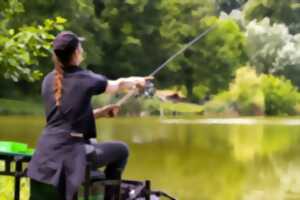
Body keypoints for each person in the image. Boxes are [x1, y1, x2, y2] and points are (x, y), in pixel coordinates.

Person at [27, 31, 148, 200]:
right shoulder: (85, 78)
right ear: (76, 52)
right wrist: (138, 81)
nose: (82, 49)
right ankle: (110, 196)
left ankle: (94, 188)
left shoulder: (48, 80)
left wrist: (100, 113)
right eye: (80, 46)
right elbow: (118, 84)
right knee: (122, 150)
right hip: (71, 152)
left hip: (45, 150)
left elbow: (65, 119)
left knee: (93, 146)